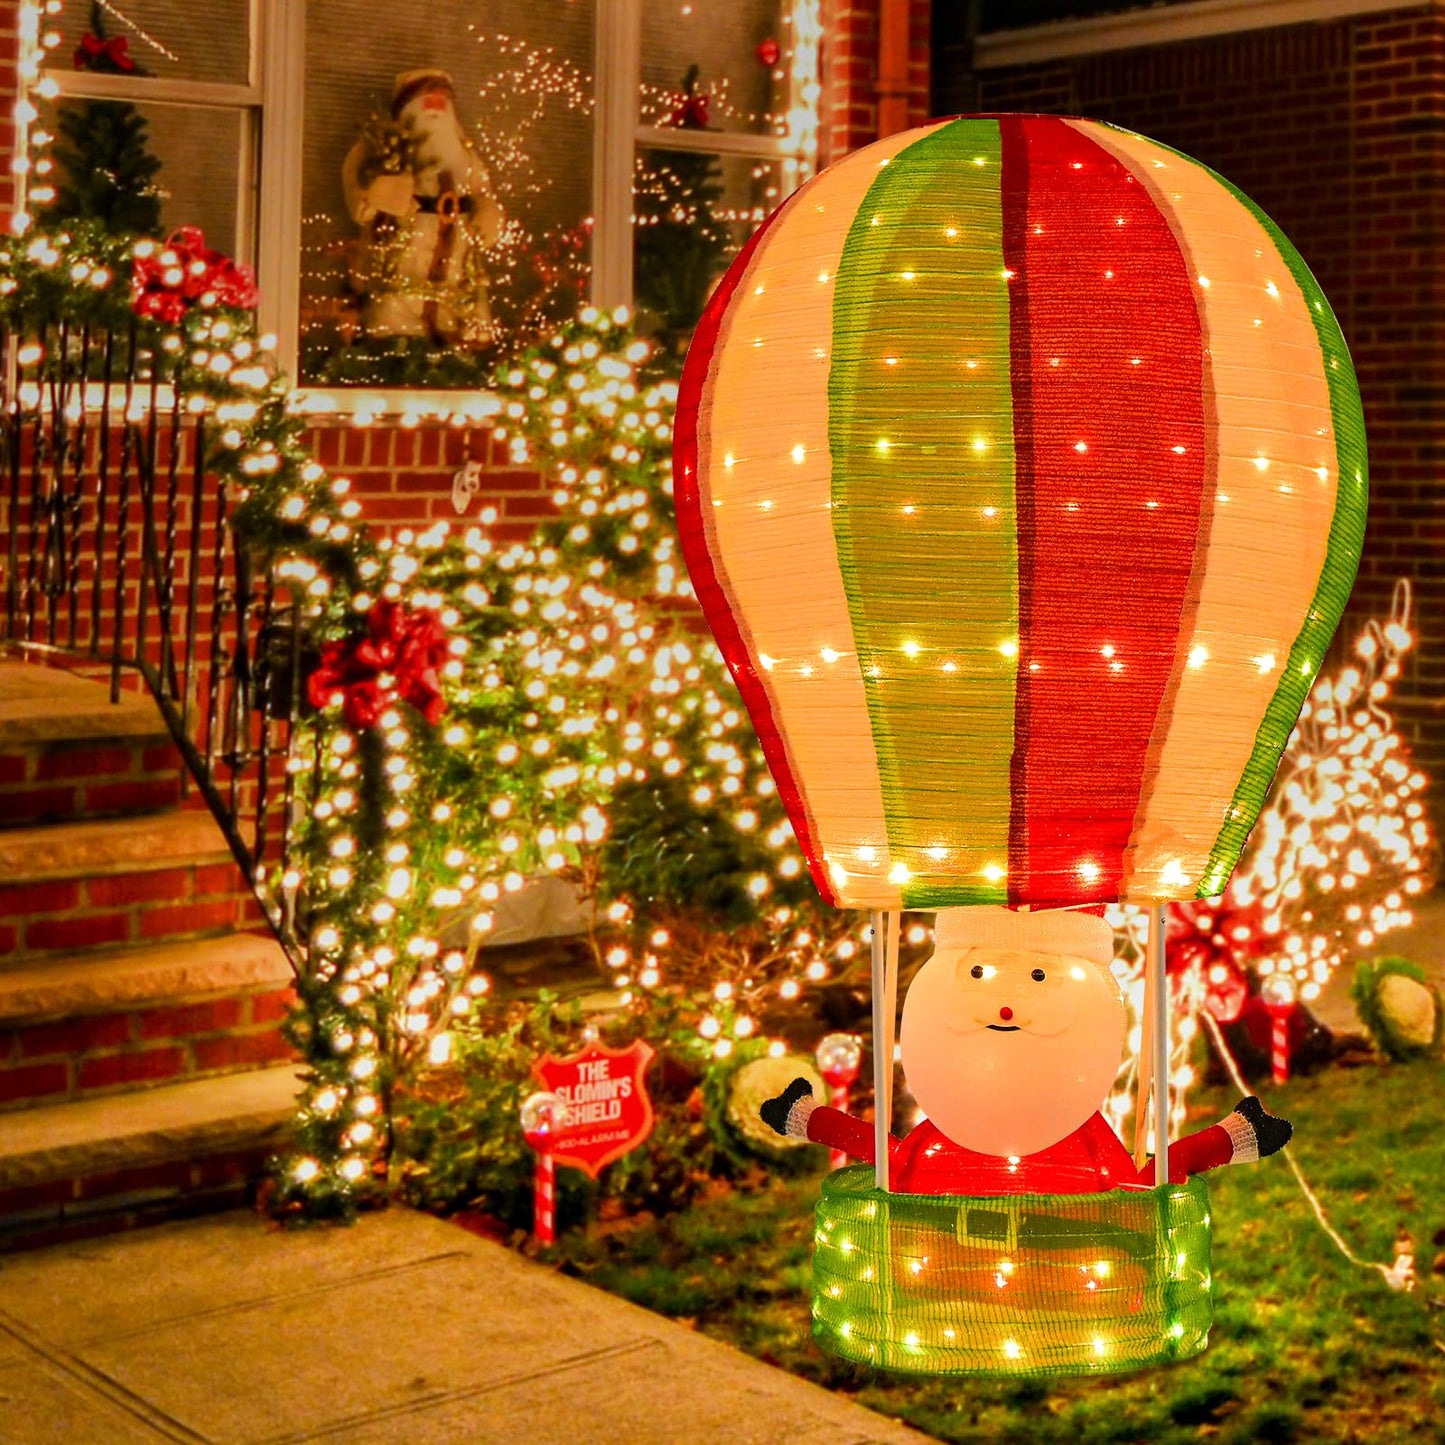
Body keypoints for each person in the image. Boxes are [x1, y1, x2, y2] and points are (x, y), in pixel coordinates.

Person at [761, 905, 1292, 1194]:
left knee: (1135, 1183)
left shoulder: (1082, 1139)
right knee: (1138, 1180)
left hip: (1062, 1142)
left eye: (1038, 976)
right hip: (961, 1139)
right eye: (979, 974)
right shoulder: (943, 1135)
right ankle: (1235, 1136)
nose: (1006, 1006)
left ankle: (1235, 1135)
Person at [341, 68, 503, 345]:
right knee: (395, 313)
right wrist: (378, 195)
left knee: (460, 310)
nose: (435, 110)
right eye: (427, 101)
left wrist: (488, 209)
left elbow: (482, 190)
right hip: (403, 261)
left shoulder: (466, 157)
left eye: (441, 102)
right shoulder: (377, 149)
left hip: (456, 265)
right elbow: (360, 199)